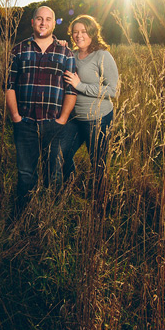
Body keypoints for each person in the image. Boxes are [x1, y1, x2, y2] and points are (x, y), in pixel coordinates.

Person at [4, 5, 77, 212]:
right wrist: (16, 117)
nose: (43, 23)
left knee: (54, 174)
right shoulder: (18, 50)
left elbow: (71, 90)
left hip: (54, 125)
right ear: (32, 22)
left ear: (54, 23)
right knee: (26, 174)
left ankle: (50, 218)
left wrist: (62, 119)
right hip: (25, 123)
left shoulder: (65, 52)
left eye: (48, 19)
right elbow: (9, 86)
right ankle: (24, 218)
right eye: (39, 19)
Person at [61, 15, 118, 198]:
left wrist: (80, 86)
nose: (79, 35)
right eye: (75, 32)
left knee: (98, 164)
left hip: (98, 119)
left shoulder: (102, 55)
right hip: (75, 117)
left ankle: (100, 202)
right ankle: (69, 189)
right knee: (61, 154)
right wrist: (59, 46)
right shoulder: (72, 54)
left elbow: (113, 90)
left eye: (84, 31)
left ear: (92, 32)